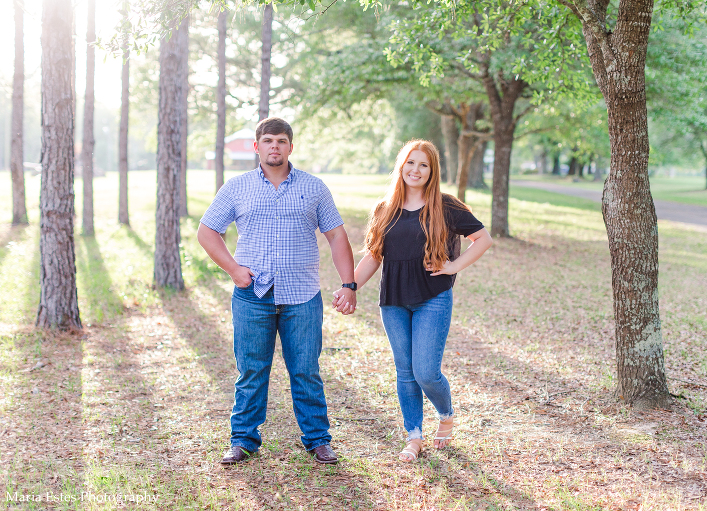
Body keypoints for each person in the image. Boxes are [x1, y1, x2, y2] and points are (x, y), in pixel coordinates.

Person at [198, 117, 357, 466]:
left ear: (290, 147)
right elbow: (207, 231)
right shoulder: (237, 187)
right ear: (257, 147)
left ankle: (317, 440)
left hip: (302, 296)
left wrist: (349, 284)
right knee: (252, 370)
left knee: (306, 370)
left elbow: (336, 236)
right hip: (253, 296)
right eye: (268, 141)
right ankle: (242, 440)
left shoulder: (314, 188)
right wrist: (234, 269)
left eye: (282, 141)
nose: (275, 146)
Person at [337, 139, 492, 462]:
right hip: (393, 300)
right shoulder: (385, 209)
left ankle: (445, 412)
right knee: (405, 372)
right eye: (410, 163)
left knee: (425, 371)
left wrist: (453, 266)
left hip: (432, 297)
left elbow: (483, 239)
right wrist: (349, 285)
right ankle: (414, 435)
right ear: (401, 166)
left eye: (423, 165)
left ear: (432, 171)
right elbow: (374, 255)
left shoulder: (447, 207)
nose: (416, 170)